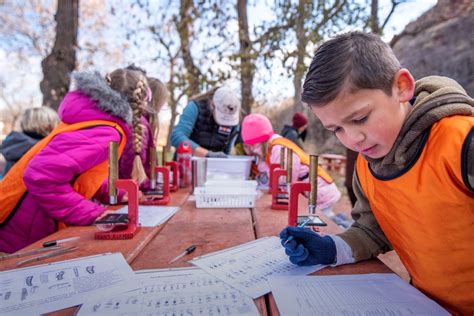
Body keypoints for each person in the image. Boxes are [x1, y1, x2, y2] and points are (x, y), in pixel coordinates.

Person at [280, 31, 473, 314]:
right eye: (336, 129)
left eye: (360, 119)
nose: (352, 139)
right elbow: (374, 230)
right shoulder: (367, 166)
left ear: (401, 87)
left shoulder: (461, 142)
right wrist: (331, 248)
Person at [0, 68, 150, 253]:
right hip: (28, 231)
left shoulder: (94, 120)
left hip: (29, 220)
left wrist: (117, 193)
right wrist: (93, 213)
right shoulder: (106, 130)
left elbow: (81, 173)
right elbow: (41, 177)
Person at [241, 113, 341, 213]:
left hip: (318, 192)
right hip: (311, 191)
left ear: (258, 143)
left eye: (252, 146)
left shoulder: (278, 149)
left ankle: (343, 224)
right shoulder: (270, 148)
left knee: (325, 222)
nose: (251, 149)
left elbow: (286, 178)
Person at [170, 87, 241, 158]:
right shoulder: (195, 107)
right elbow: (177, 137)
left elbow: (227, 150)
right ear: (212, 105)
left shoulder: (234, 119)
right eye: (223, 114)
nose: (226, 120)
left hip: (215, 166)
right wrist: (206, 154)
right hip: (187, 163)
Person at [0, 107, 60, 178]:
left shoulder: (16, 141)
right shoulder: (38, 149)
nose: (58, 126)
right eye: (56, 123)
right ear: (47, 126)